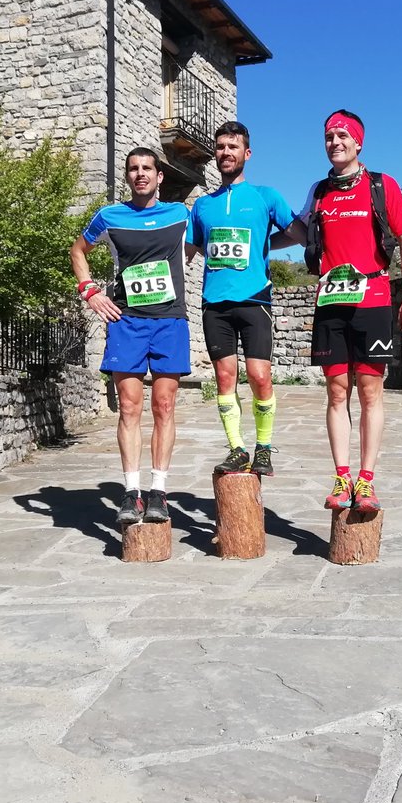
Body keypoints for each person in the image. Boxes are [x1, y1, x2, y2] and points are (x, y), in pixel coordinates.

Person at [297, 109, 402, 512]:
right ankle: (341, 477)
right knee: (336, 392)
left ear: (358, 142)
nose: (334, 142)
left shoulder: (381, 186)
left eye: (342, 136)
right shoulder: (318, 192)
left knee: (369, 391)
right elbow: (295, 231)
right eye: (329, 136)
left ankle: (366, 481)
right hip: (331, 301)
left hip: (373, 298)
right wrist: (254, 242)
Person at [69, 147, 193, 526]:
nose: (140, 174)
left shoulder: (180, 214)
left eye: (147, 169)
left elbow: (205, 241)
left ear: (160, 178)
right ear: (128, 176)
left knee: (165, 406)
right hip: (127, 320)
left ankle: (159, 492)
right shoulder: (110, 216)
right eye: (133, 169)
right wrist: (90, 292)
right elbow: (78, 250)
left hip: (169, 320)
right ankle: (131, 493)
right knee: (128, 407)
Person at [188, 121, 302, 477]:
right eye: (220, 147)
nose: (225, 152)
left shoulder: (266, 196)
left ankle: (264, 447)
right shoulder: (202, 206)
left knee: (259, 376)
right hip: (214, 303)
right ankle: (237, 448)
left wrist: (265, 245)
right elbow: (188, 251)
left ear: (246, 154)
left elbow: (297, 233)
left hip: (255, 300)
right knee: (224, 378)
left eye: (232, 147)